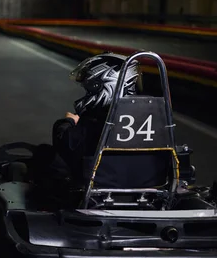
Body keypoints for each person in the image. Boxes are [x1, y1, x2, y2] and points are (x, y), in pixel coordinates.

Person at [50, 52, 167, 188]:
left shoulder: (98, 118)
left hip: (101, 194)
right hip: (152, 191)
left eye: (91, 90)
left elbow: (66, 146)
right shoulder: (157, 115)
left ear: (108, 85)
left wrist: (68, 122)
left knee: (46, 156)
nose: (88, 94)